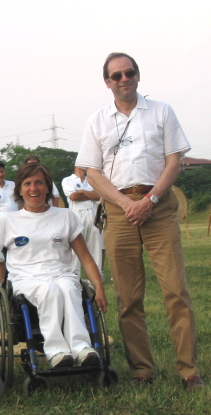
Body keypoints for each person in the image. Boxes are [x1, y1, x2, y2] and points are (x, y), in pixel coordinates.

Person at [75, 52, 203, 389]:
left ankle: (188, 371)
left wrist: (150, 199)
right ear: (107, 82)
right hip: (119, 211)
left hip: (158, 207)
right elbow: (91, 171)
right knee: (129, 297)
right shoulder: (97, 121)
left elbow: (175, 160)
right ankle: (141, 371)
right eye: (116, 76)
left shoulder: (161, 112)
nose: (124, 79)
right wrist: (122, 202)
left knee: (176, 291)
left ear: (138, 76)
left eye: (129, 73)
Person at [0, 162, 107, 368]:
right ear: (19, 189)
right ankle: (56, 351)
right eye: (27, 183)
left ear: (47, 187)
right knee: (49, 290)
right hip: (26, 280)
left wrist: (98, 286)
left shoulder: (65, 216)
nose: (33, 188)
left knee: (69, 287)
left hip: (62, 273)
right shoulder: (7, 221)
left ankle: (81, 347)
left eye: (39, 183)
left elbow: (85, 257)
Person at [61, 167, 104, 280]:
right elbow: (73, 196)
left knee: (96, 247)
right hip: (77, 215)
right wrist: (91, 194)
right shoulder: (68, 180)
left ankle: (96, 277)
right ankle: (74, 277)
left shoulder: (92, 180)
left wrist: (82, 192)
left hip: (93, 214)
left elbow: (99, 196)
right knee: (76, 248)